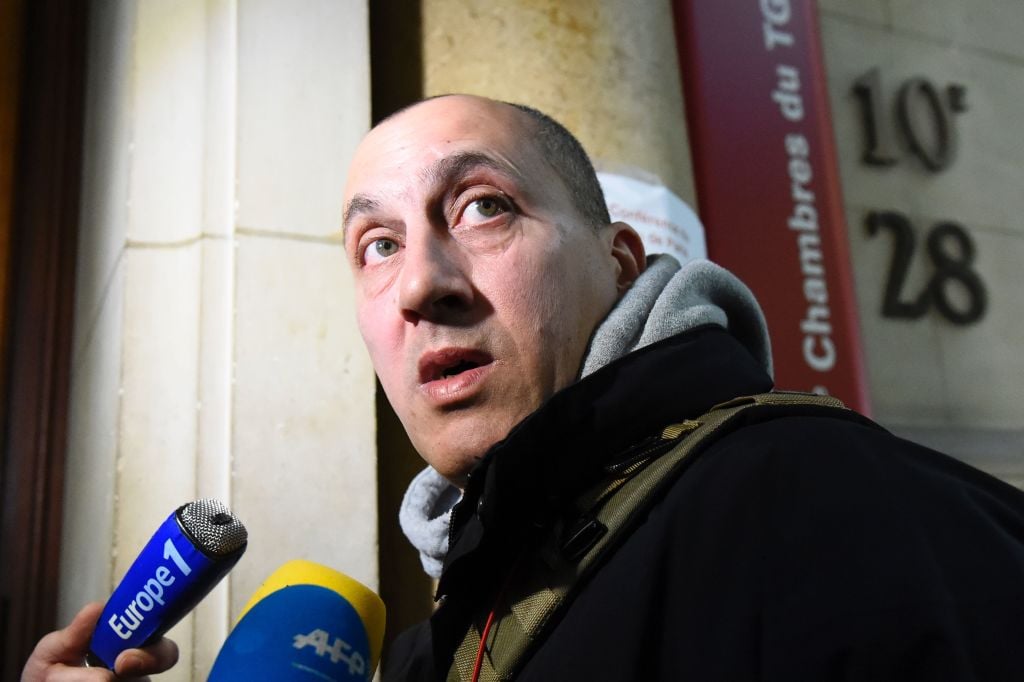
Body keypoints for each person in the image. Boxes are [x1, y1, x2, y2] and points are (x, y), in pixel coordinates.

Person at [25, 94, 1024, 681]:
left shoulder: (808, 498)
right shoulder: (443, 645)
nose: (420, 284)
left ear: (624, 262)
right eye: (375, 246)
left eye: (483, 208)